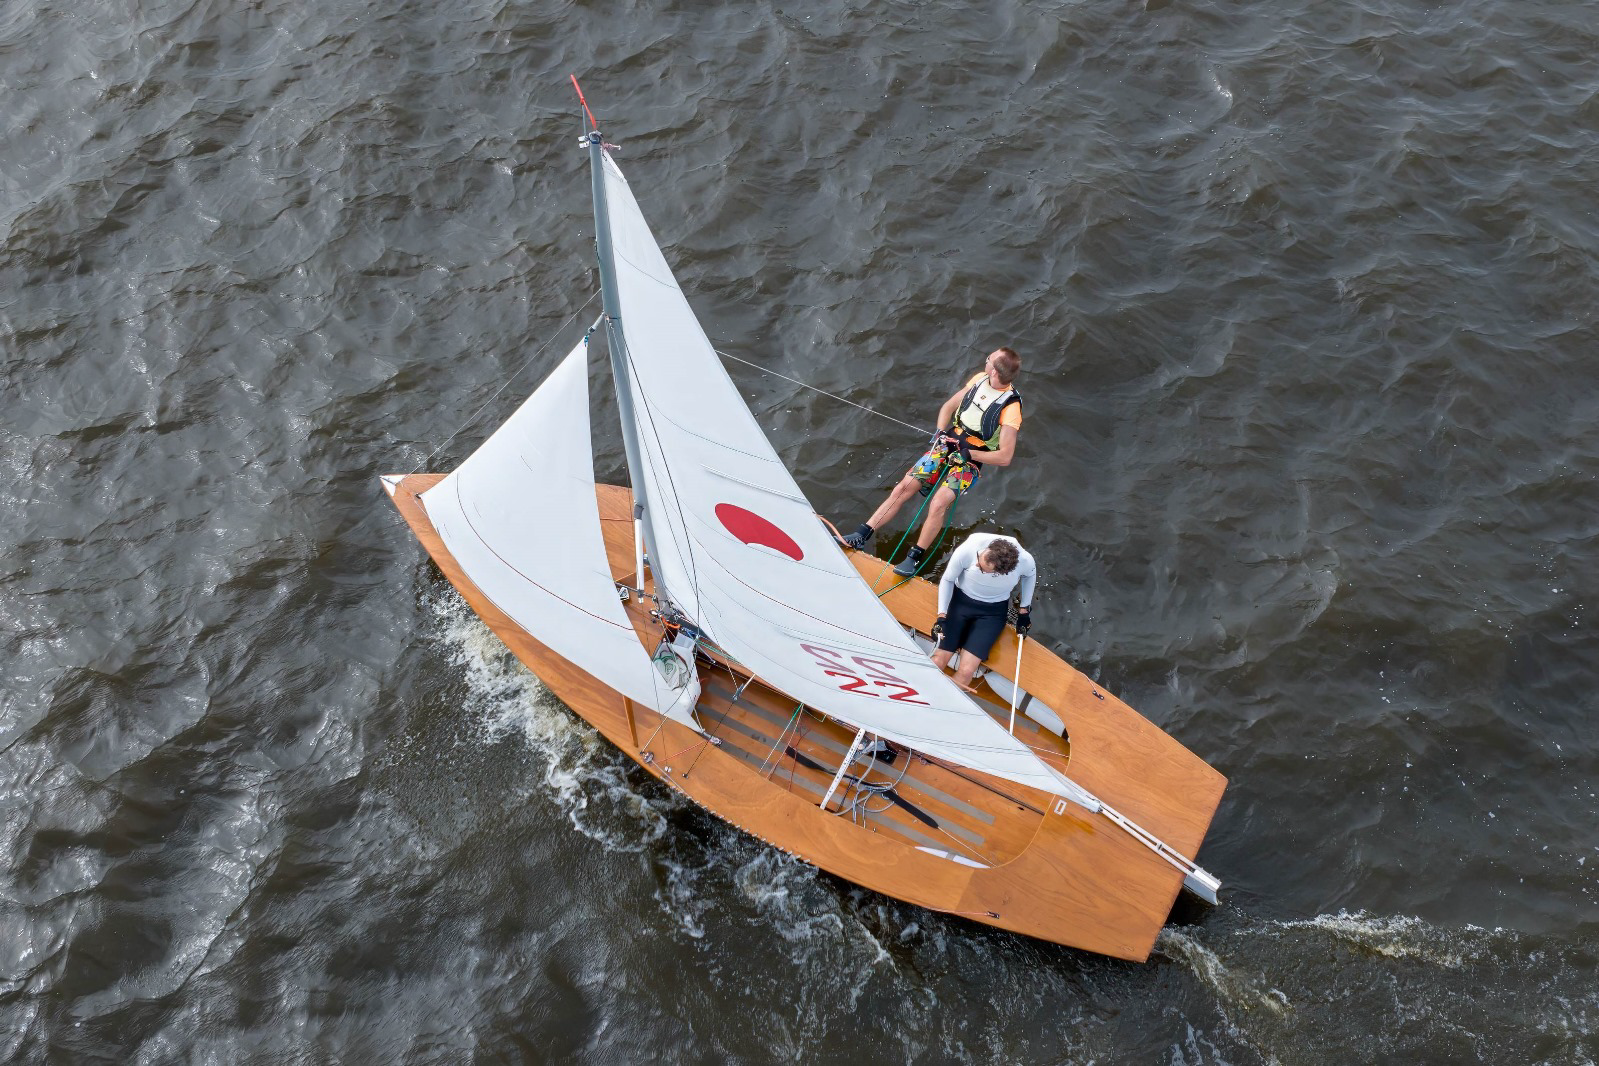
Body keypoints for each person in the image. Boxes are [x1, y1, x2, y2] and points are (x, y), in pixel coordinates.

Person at [837, 347, 1023, 577]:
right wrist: (938, 431)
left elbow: (1005, 456)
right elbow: (948, 407)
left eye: (988, 360)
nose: (984, 362)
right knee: (904, 487)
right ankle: (861, 535)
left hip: (972, 458)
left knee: (938, 503)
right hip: (947, 442)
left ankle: (913, 558)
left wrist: (970, 455)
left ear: (995, 372)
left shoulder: (1011, 408)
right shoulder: (978, 379)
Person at [929, 532, 1036, 691]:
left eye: (982, 568)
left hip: (992, 614)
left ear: (1001, 572)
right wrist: (941, 617)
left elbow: (1030, 576)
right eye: (979, 561)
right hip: (960, 603)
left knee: (965, 673)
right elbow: (948, 579)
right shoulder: (970, 549)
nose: (978, 565)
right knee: (937, 661)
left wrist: (1024, 611)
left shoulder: (1025, 560)